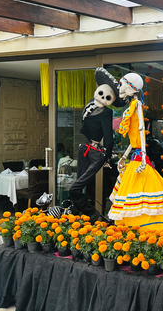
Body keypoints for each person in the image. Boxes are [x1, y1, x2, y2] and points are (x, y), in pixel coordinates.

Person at [107, 72, 163, 231]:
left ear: (132, 88)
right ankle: (133, 229)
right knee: (134, 197)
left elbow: (141, 130)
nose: (120, 87)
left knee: (141, 195)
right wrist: (124, 156)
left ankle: (143, 229)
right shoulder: (132, 105)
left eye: (123, 84)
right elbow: (135, 138)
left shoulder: (136, 105)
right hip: (135, 156)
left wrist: (143, 157)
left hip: (139, 158)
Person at [68, 67, 126, 223]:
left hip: (96, 153)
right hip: (85, 149)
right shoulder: (89, 104)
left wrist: (106, 157)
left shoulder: (106, 113)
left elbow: (109, 137)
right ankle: (77, 212)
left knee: (74, 188)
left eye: (107, 97)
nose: (102, 99)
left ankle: (92, 213)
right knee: (79, 186)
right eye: (101, 93)